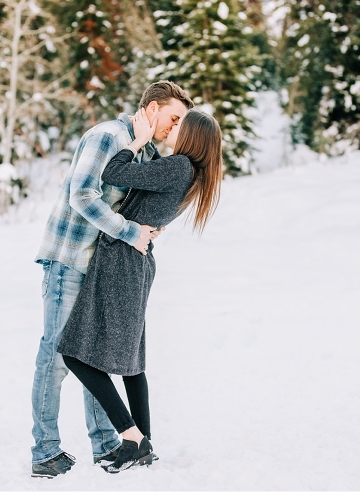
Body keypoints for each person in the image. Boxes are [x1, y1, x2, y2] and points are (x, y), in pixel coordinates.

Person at [30, 80, 194, 478]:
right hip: (70, 259)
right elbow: (83, 195)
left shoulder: (148, 151)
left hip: (102, 267)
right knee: (57, 358)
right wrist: (130, 232)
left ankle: (107, 445)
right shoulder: (108, 136)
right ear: (152, 109)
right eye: (173, 118)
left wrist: (150, 226)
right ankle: (45, 452)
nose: (176, 128)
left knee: (94, 354)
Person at [58, 109, 223, 474]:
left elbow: (113, 173)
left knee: (75, 354)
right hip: (135, 262)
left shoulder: (178, 167)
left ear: (192, 137)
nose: (174, 127)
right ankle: (144, 441)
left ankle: (132, 438)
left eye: (180, 125)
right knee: (131, 360)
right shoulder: (189, 172)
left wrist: (137, 142)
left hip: (121, 261)